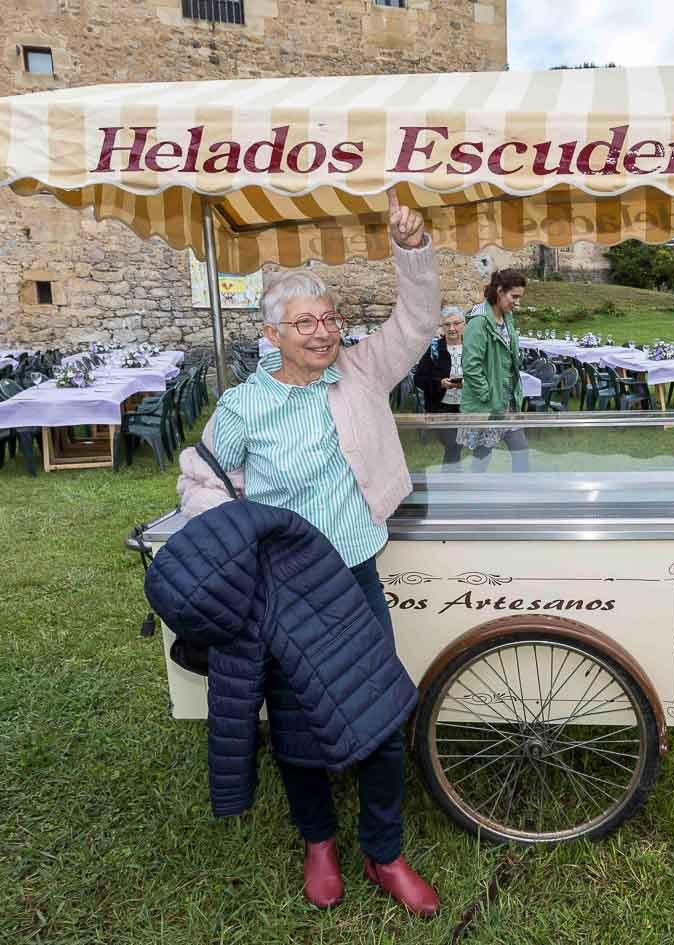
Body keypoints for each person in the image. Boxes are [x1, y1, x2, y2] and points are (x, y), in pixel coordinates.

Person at [174, 190, 441, 917]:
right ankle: (318, 840)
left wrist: (411, 249)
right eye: (304, 323)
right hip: (283, 589)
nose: (321, 333)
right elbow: (201, 480)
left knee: (383, 717)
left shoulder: (359, 373)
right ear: (273, 335)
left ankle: (382, 850)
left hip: (353, 574)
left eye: (327, 319)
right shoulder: (242, 408)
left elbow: (417, 319)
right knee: (298, 725)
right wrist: (232, 541)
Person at [460, 269, 529, 471]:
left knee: (521, 451)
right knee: (483, 456)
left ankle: (520, 498)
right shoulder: (479, 322)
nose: (517, 302)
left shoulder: (507, 319)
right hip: (489, 405)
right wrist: (488, 395)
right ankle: (477, 498)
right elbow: (471, 367)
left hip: (508, 403)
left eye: (519, 297)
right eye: (514, 296)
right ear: (499, 291)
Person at [411, 306, 466, 465]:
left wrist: (468, 384)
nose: (452, 328)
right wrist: (440, 383)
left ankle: (451, 482)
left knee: (458, 447)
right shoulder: (434, 349)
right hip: (441, 407)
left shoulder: (473, 348)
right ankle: (450, 483)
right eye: (447, 324)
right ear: (441, 327)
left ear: (464, 324)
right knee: (453, 445)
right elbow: (419, 379)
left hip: (467, 407)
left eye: (456, 323)